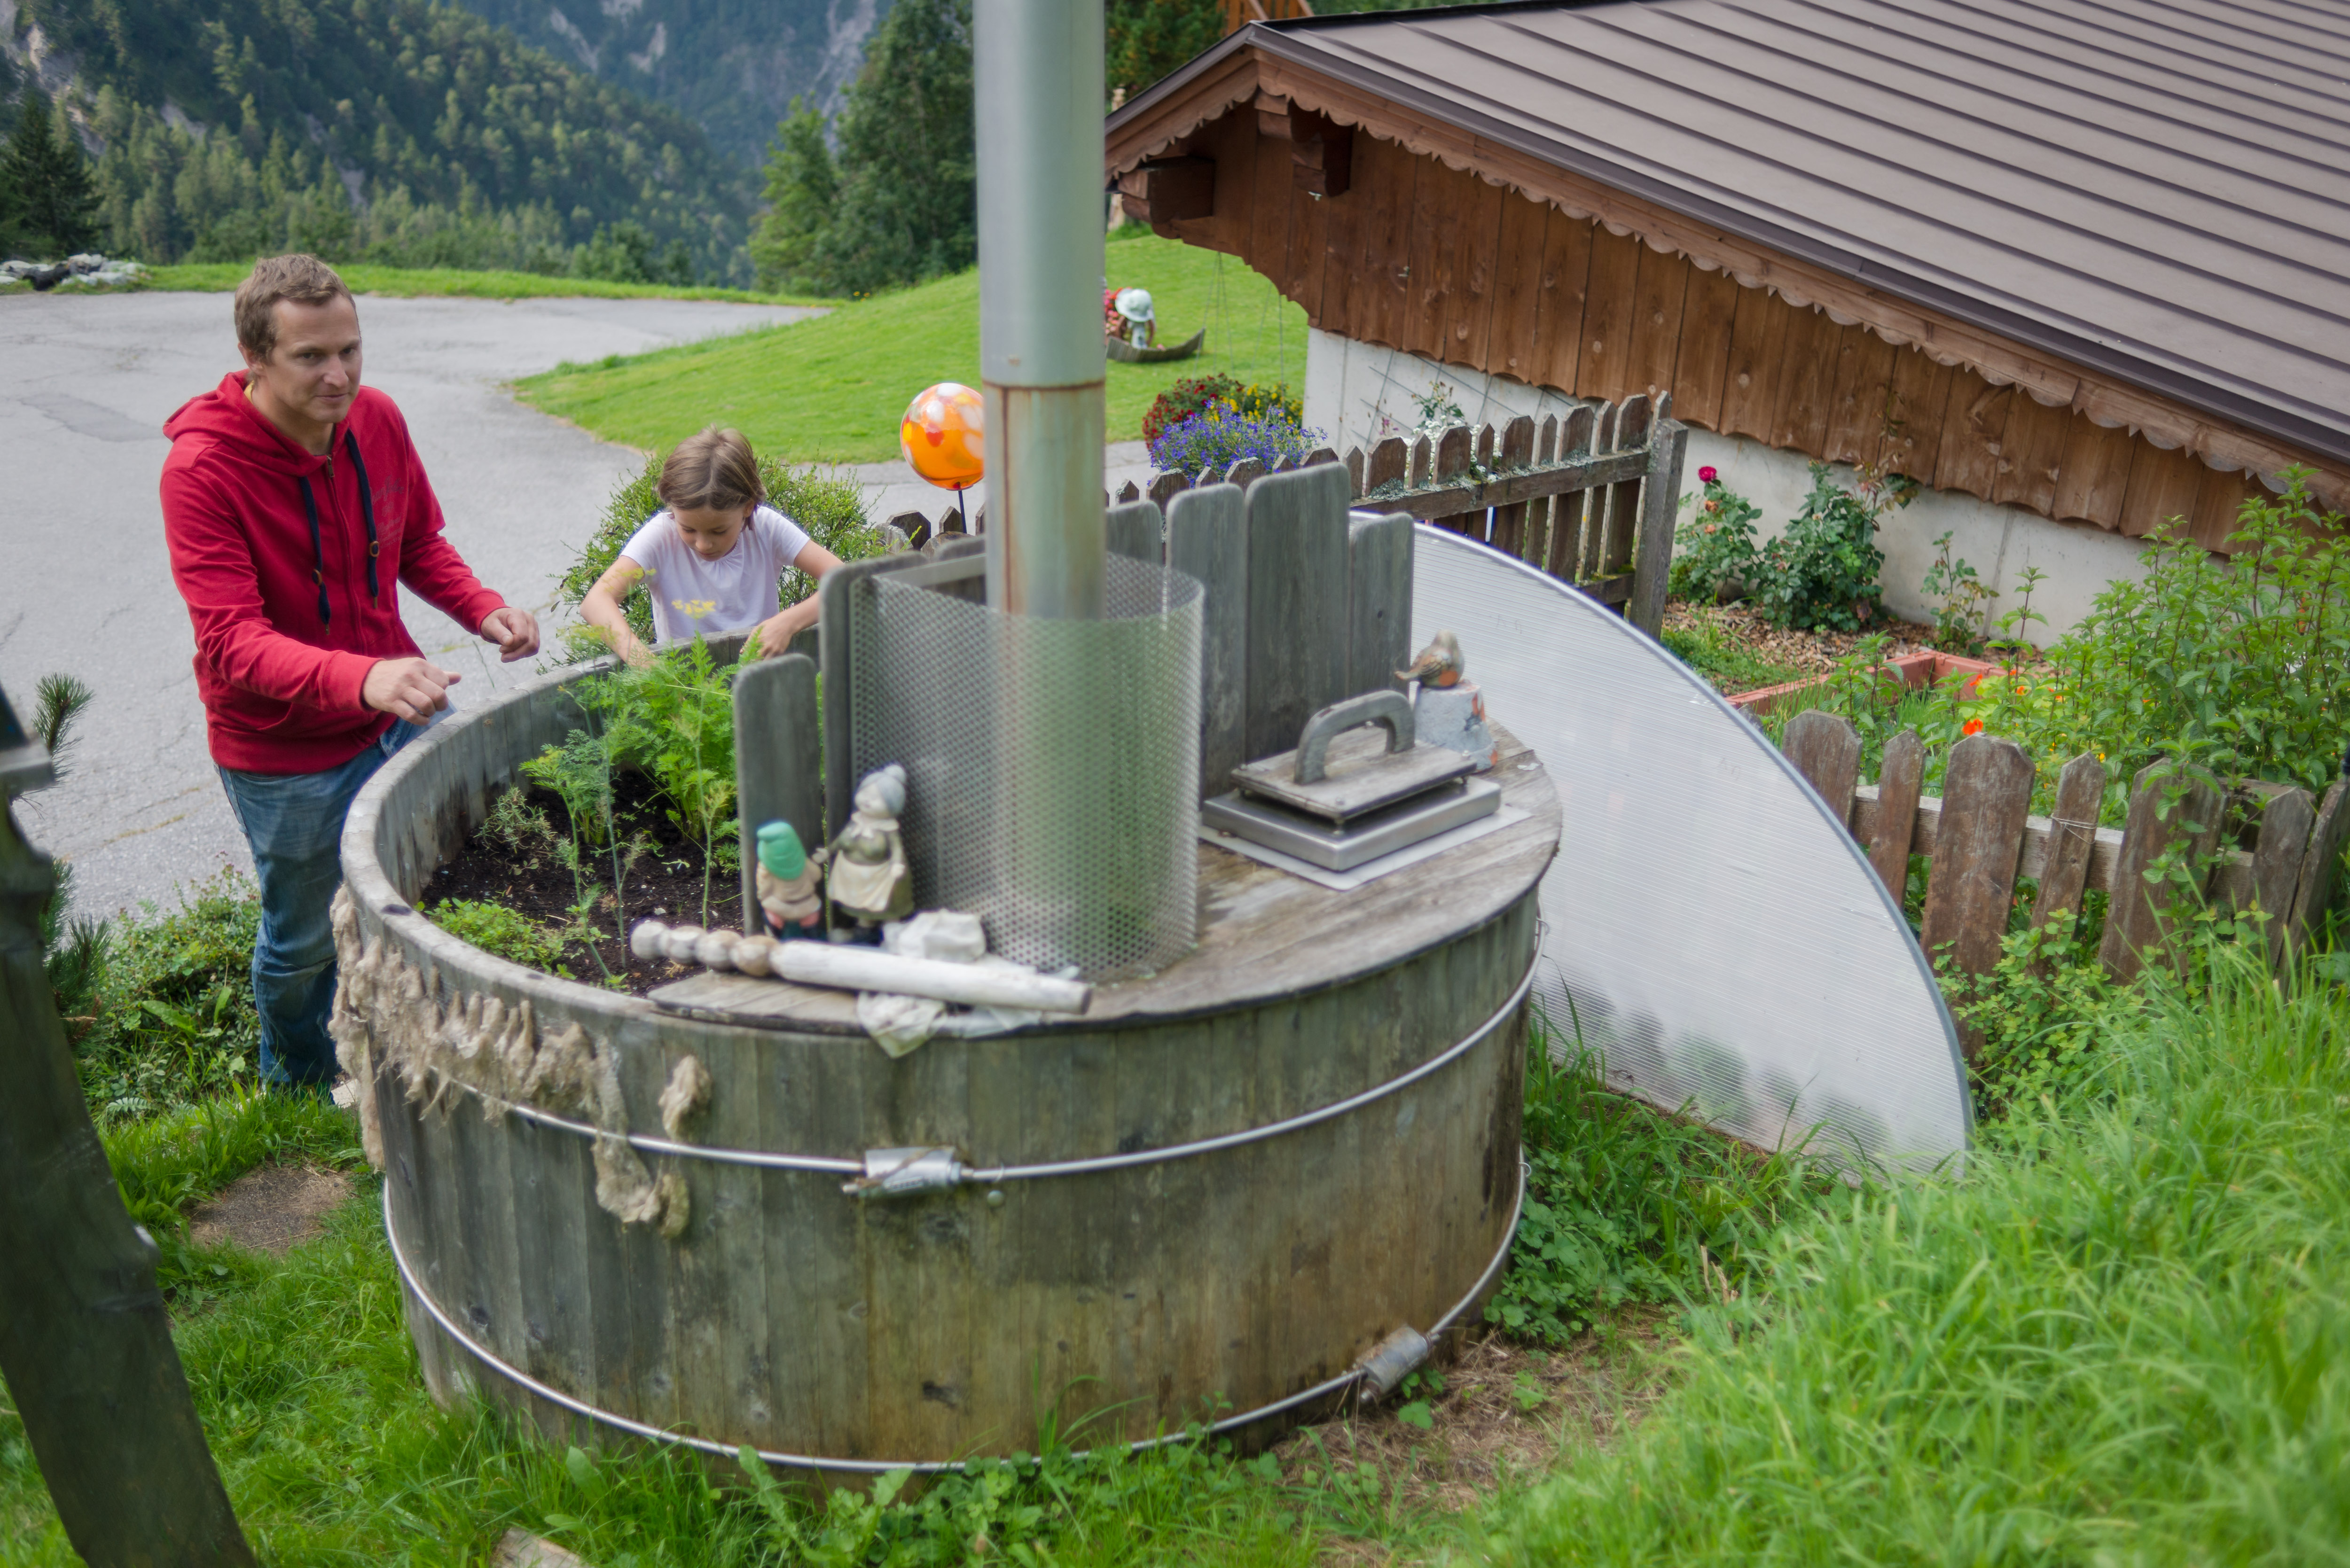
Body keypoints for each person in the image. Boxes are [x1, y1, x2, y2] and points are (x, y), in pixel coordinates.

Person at [162, 253, 542, 1090]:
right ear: (254, 358)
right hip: (284, 748)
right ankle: (298, 1083)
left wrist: (482, 607)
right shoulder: (202, 469)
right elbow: (231, 638)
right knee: (304, 937)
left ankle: (418, 1046)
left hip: (396, 707)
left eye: (351, 350)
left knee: (442, 877)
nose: (339, 375)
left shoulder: (378, 419)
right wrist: (359, 677)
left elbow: (417, 543)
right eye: (310, 357)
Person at [577, 428, 843, 666]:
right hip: (689, 683)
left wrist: (788, 622)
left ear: (748, 507)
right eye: (688, 529)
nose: (703, 544)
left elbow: (847, 581)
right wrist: (645, 663)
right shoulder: (660, 538)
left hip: (759, 674)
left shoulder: (766, 528)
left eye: (719, 531)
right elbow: (596, 602)